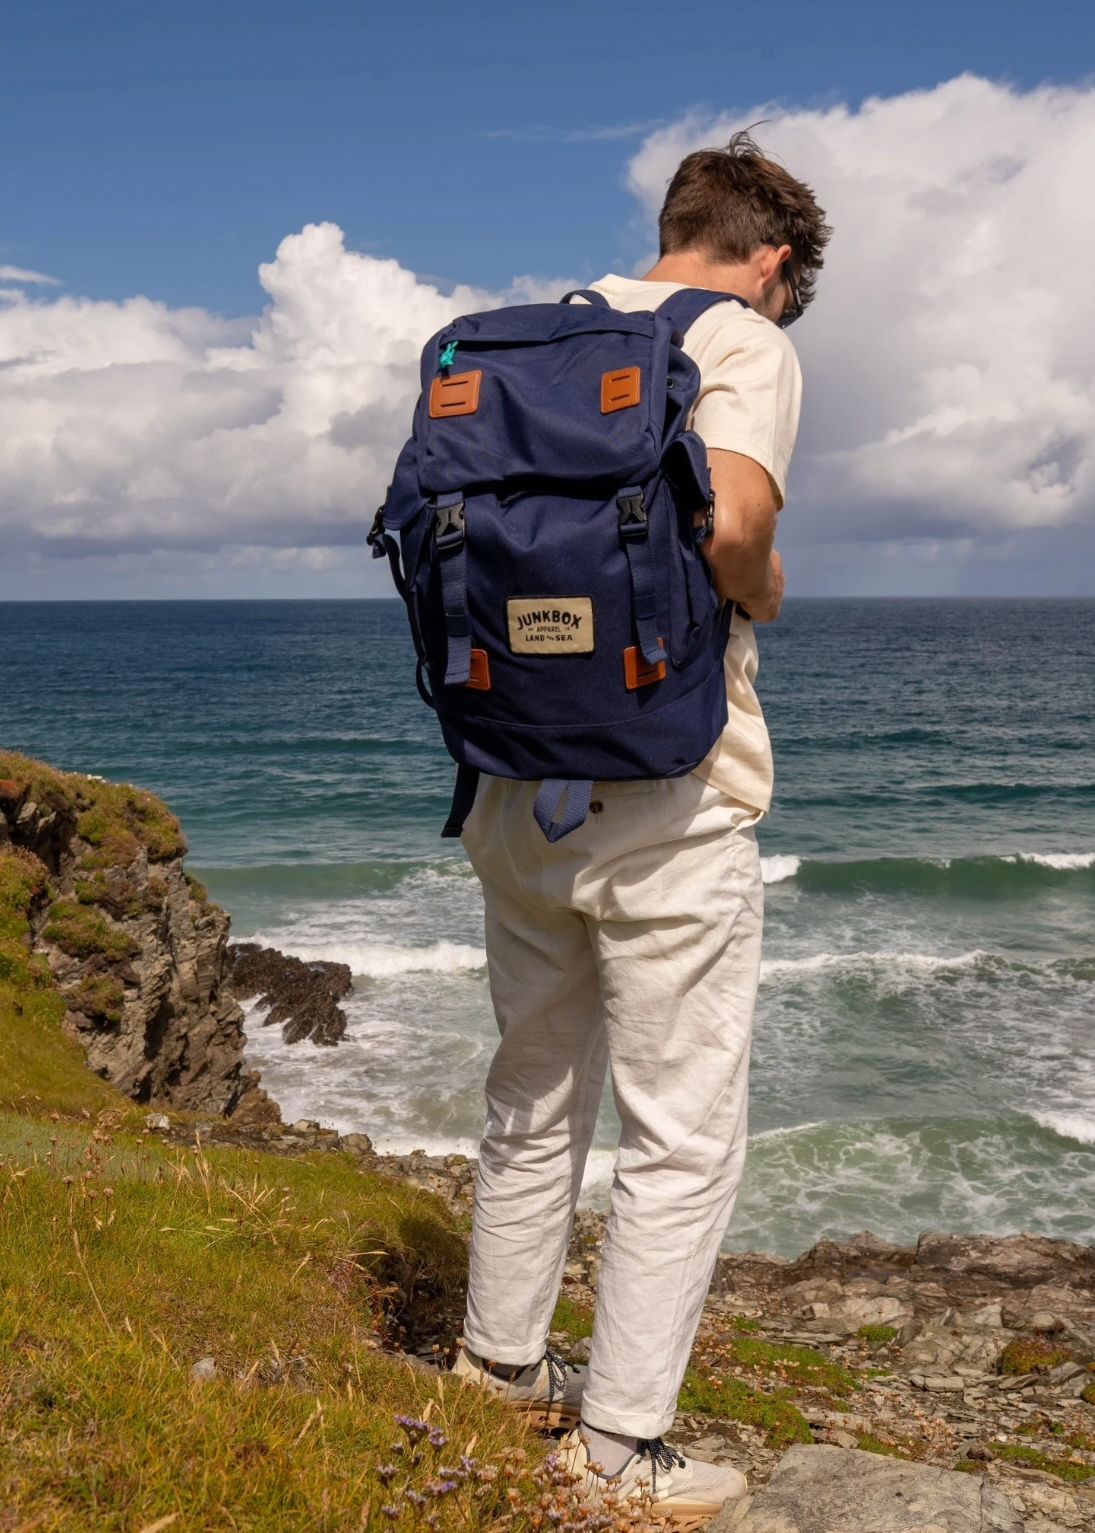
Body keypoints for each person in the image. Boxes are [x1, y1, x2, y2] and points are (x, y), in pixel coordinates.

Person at [451, 130, 831, 1525]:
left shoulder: (533, 333)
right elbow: (733, 525)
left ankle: (498, 1361)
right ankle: (618, 1451)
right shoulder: (745, 340)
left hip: (510, 777)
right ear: (773, 260)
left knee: (534, 1086)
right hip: (669, 795)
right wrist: (770, 587)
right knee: (680, 1134)